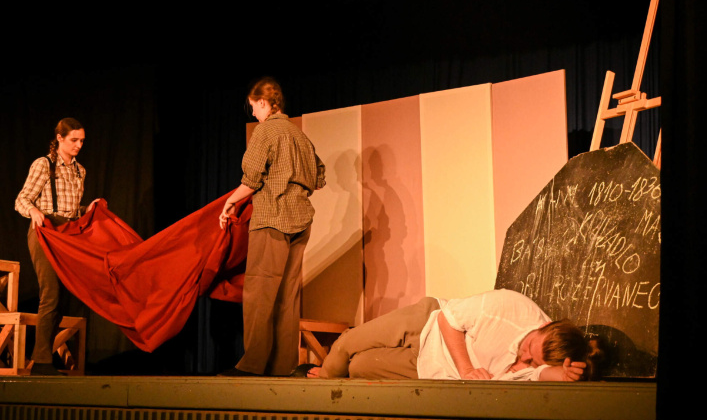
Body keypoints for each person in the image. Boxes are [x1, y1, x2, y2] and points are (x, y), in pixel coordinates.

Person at [218, 77, 326, 377]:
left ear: (264, 103)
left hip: (272, 219)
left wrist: (230, 202)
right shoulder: (300, 135)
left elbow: (251, 179)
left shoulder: (265, 131)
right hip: (301, 221)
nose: (253, 113)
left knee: (260, 290)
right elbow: (319, 178)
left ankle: (253, 364)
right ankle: (282, 366)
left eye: (253, 107)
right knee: (287, 296)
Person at [302, 289, 606, 381]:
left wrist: (562, 374)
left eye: (531, 361)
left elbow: (541, 376)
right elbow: (448, 319)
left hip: (429, 367)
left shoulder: (536, 366)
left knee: (358, 367)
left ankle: (332, 376)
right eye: (528, 347)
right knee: (347, 344)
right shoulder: (512, 308)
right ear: (543, 325)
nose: (523, 357)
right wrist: (467, 369)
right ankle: (321, 382)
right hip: (428, 323)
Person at [15, 118, 99, 375]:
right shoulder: (44, 164)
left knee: (64, 298)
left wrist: (87, 209)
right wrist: (33, 211)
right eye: (74, 140)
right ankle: (41, 362)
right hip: (45, 231)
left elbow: (71, 210)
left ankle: (45, 357)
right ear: (60, 138)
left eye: (82, 141)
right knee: (50, 294)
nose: (79, 145)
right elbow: (22, 199)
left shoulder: (80, 171)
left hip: (67, 234)